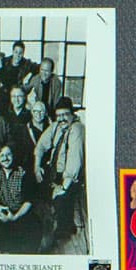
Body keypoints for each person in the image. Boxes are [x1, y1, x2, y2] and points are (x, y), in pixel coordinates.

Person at [34, 96, 86, 253]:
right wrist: (37, 166)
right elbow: (41, 145)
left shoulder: (77, 129)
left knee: (61, 200)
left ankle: (63, 231)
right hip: (54, 171)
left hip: (70, 177)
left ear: (72, 114)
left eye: (65, 114)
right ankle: (44, 224)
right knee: (37, 194)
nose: (62, 118)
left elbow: (74, 162)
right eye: (59, 115)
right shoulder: (56, 126)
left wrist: (63, 187)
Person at [0, 144, 39, 256]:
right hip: (2, 212)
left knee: (25, 248)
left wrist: (15, 217)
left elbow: (29, 200)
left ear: (14, 156)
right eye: (1, 155)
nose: (5, 158)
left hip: (21, 214)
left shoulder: (24, 173)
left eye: (8, 154)